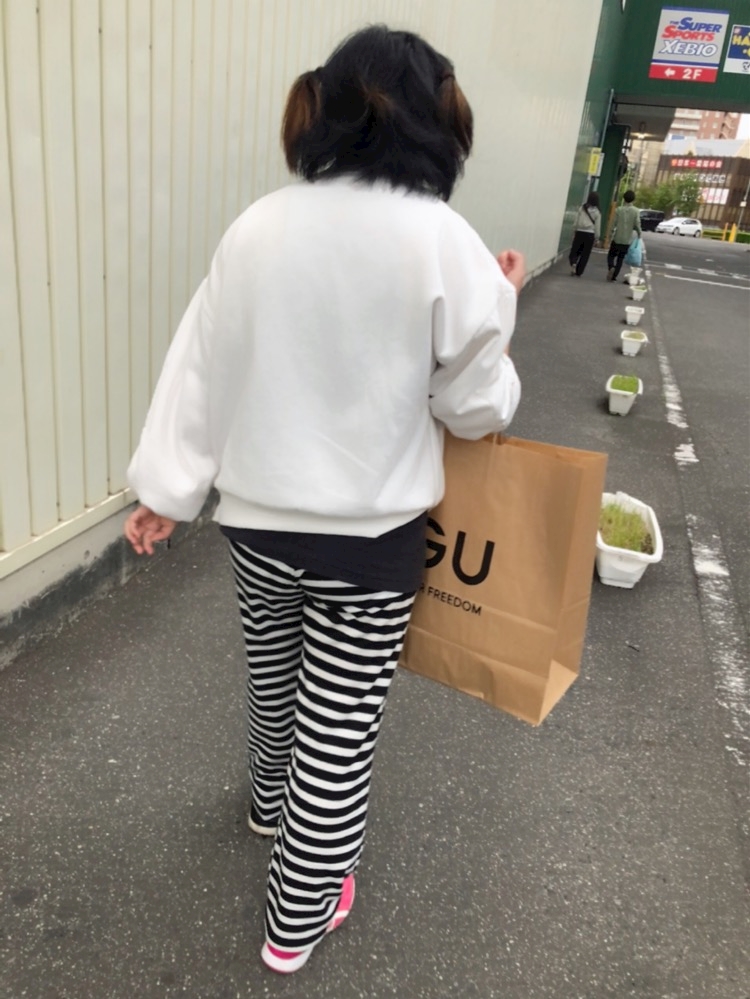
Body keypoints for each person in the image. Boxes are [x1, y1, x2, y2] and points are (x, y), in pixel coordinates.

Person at [124, 25, 523, 975]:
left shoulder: (259, 225)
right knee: (336, 736)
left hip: (256, 529)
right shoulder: (444, 239)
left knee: (273, 683)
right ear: (437, 121)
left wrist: (164, 492)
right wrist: (498, 305)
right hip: (371, 543)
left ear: (327, 106)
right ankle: (294, 922)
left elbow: (202, 367)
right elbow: (475, 408)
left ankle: (267, 808)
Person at [607, 189, 641, 281]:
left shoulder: (619, 210)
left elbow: (613, 224)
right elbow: (637, 224)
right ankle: (614, 276)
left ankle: (611, 267)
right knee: (620, 258)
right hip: (627, 240)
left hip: (617, 238)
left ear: (624, 199)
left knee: (611, 255)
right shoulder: (636, 211)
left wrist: (609, 235)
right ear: (633, 199)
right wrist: (639, 233)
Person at [568, 191, 601, 277]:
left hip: (580, 232)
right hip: (590, 234)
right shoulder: (597, 212)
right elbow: (597, 226)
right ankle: (579, 271)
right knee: (585, 254)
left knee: (574, 250)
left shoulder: (582, 208)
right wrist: (597, 238)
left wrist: (574, 230)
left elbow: (576, 220)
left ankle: (573, 262)